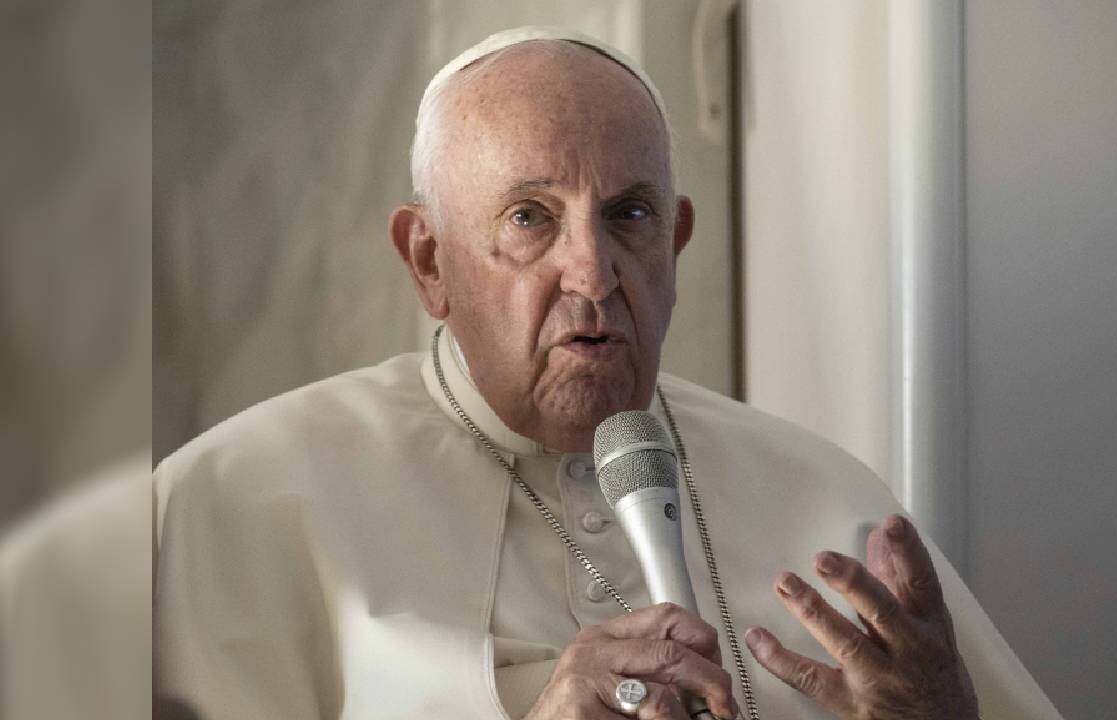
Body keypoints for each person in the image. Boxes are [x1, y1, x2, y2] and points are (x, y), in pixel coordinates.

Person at [154, 26, 1062, 720]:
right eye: (528, 218)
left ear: (674, 243)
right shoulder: (233, 504)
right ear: (429, 261)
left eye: (628, 214)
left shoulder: (828, 499)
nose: (592, 274)